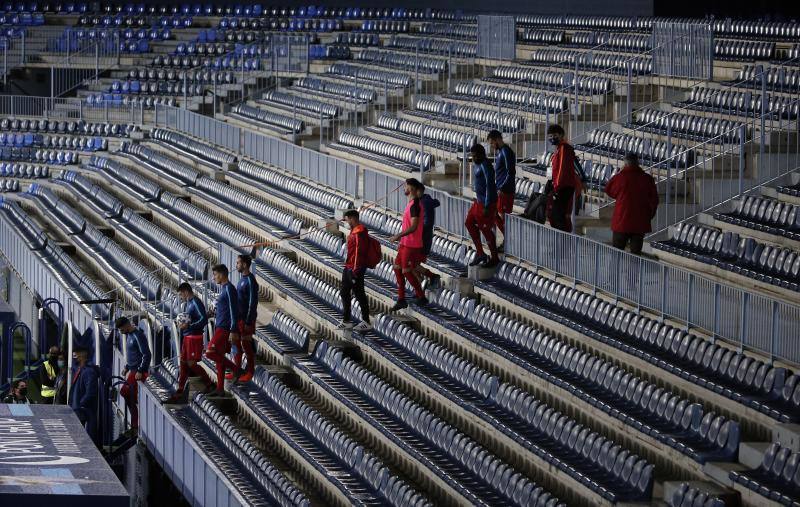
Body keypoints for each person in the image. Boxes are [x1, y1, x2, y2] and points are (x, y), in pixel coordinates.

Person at [166, 283, 214, 404]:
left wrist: (189, 325)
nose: (180, 297)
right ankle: (180, 391)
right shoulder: (188, 303)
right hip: (187, 336)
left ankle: (209, 384)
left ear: (186, 292)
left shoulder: (196, 302)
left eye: (181, 294)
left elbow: (203, 319)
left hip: (194, 337)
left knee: (191, 364)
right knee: (183, 363)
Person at [605, 153, 659, 255]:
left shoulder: (620, 177)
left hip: (621, 221)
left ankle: (615, 271)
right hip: (640, 223)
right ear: (638, 163)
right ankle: (634, 271)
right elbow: (654, 200)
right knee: (636, 255)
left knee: (617, 254)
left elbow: (609, 189)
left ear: (625, 164)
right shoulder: (647, 179)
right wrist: (649, 215)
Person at [389, 178, 428, 311]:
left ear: (411, 188)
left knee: (406, 270)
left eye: (405, 186)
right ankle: (401, 299)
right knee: (397, 268)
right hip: (405, 243)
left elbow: (414, 226)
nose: (403, 188)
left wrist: (397, 235)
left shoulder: (415, 205)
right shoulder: (411, 203)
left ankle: (421, 296)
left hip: (411, 244)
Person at [207, 264, 243, 394]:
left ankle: (236, 369)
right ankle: (220, 388)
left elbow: (234, 310)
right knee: (219, 359)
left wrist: (233, 330)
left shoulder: (229, 289)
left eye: (215, 274)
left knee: (210, 352)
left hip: (225, 328)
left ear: (222, 274)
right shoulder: (224, 289)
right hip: (220, 325)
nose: (214, 277)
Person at [465, 143, 500, 268]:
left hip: (486, 203)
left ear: (482, 154)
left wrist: (487, 205)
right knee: (468, 222)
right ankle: (480, 252)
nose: (473, 158)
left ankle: (495, 257)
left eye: (475, 156)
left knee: (485, 229)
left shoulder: (486, 165)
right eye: (472, 156)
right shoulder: (476, 164)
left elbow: (490, 186)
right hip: (478, 201)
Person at [338, 209, 373, 332]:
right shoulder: (354, 231)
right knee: (344, 292)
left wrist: (355, 270)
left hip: (355, 268)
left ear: (352, 218)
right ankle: (346, 320)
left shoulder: (360, 232)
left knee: (359, 294)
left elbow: (359, 252)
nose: (346, 222)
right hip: (349, 266)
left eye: (347, 219)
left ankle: (366, 321)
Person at [115, 317, 151, 429]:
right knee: (126, 393)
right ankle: (136, 421)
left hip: (138, 372)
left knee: (125, 392)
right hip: (132, 370)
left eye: (121, 329)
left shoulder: (137, 335)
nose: (121, 332)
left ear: (126, 325)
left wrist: (140, 370)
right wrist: (126, 367)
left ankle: (136, 423)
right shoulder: (129, 336)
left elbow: (146, 355)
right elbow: (134, 355)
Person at [546, 124, 580, 232]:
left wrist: (556, 186)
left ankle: (564, 243)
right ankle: (560, 243)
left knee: (559, 216)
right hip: (560, 186)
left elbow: (561, 169)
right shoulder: (559, 149)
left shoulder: (564, 148)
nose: (552, 138)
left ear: (561, 135)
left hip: (564, 187)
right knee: (555, 215)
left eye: (554, 135)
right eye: (550, 136)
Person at [234, 254, 258, 383]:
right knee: (238, 344)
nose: (236, 265)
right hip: (240, 319)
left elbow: (252, 303)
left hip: (246, 319)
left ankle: (250, 371)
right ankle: (237, 370)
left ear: (244, 264)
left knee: (246, 344)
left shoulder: (250, 280)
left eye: (238, 263)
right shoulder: (242, 279)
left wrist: (248, 321)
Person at [488, 130, 516, 237]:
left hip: (505, 191)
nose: (491, 146)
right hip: (501, 190)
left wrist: (502, 188)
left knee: (503, 217)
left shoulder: (505, 152)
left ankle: (509, 241)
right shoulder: (501, 152)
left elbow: (511, 172)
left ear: (498, 139)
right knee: (495, 213)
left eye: (492, 143)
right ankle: (508, 240)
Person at [415, 184, 441, 288]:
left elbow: (427, 224)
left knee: (409, 264)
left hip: (421, 241)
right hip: (419, 240)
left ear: (420, 191)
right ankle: (422, 284)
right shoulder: (422, 201)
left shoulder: (424, 203)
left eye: (413, 190)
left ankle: (431, 278)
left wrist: (416, 232)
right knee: (408, 264)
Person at [69, 345, 98, 439]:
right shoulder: (80, 369)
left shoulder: (89, 371)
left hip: (83, 409)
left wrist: (81, 404)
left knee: (81, 437)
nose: (74, 359)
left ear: (81, 356)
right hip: (79, 408)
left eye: (75, 356)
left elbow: (90, 391)